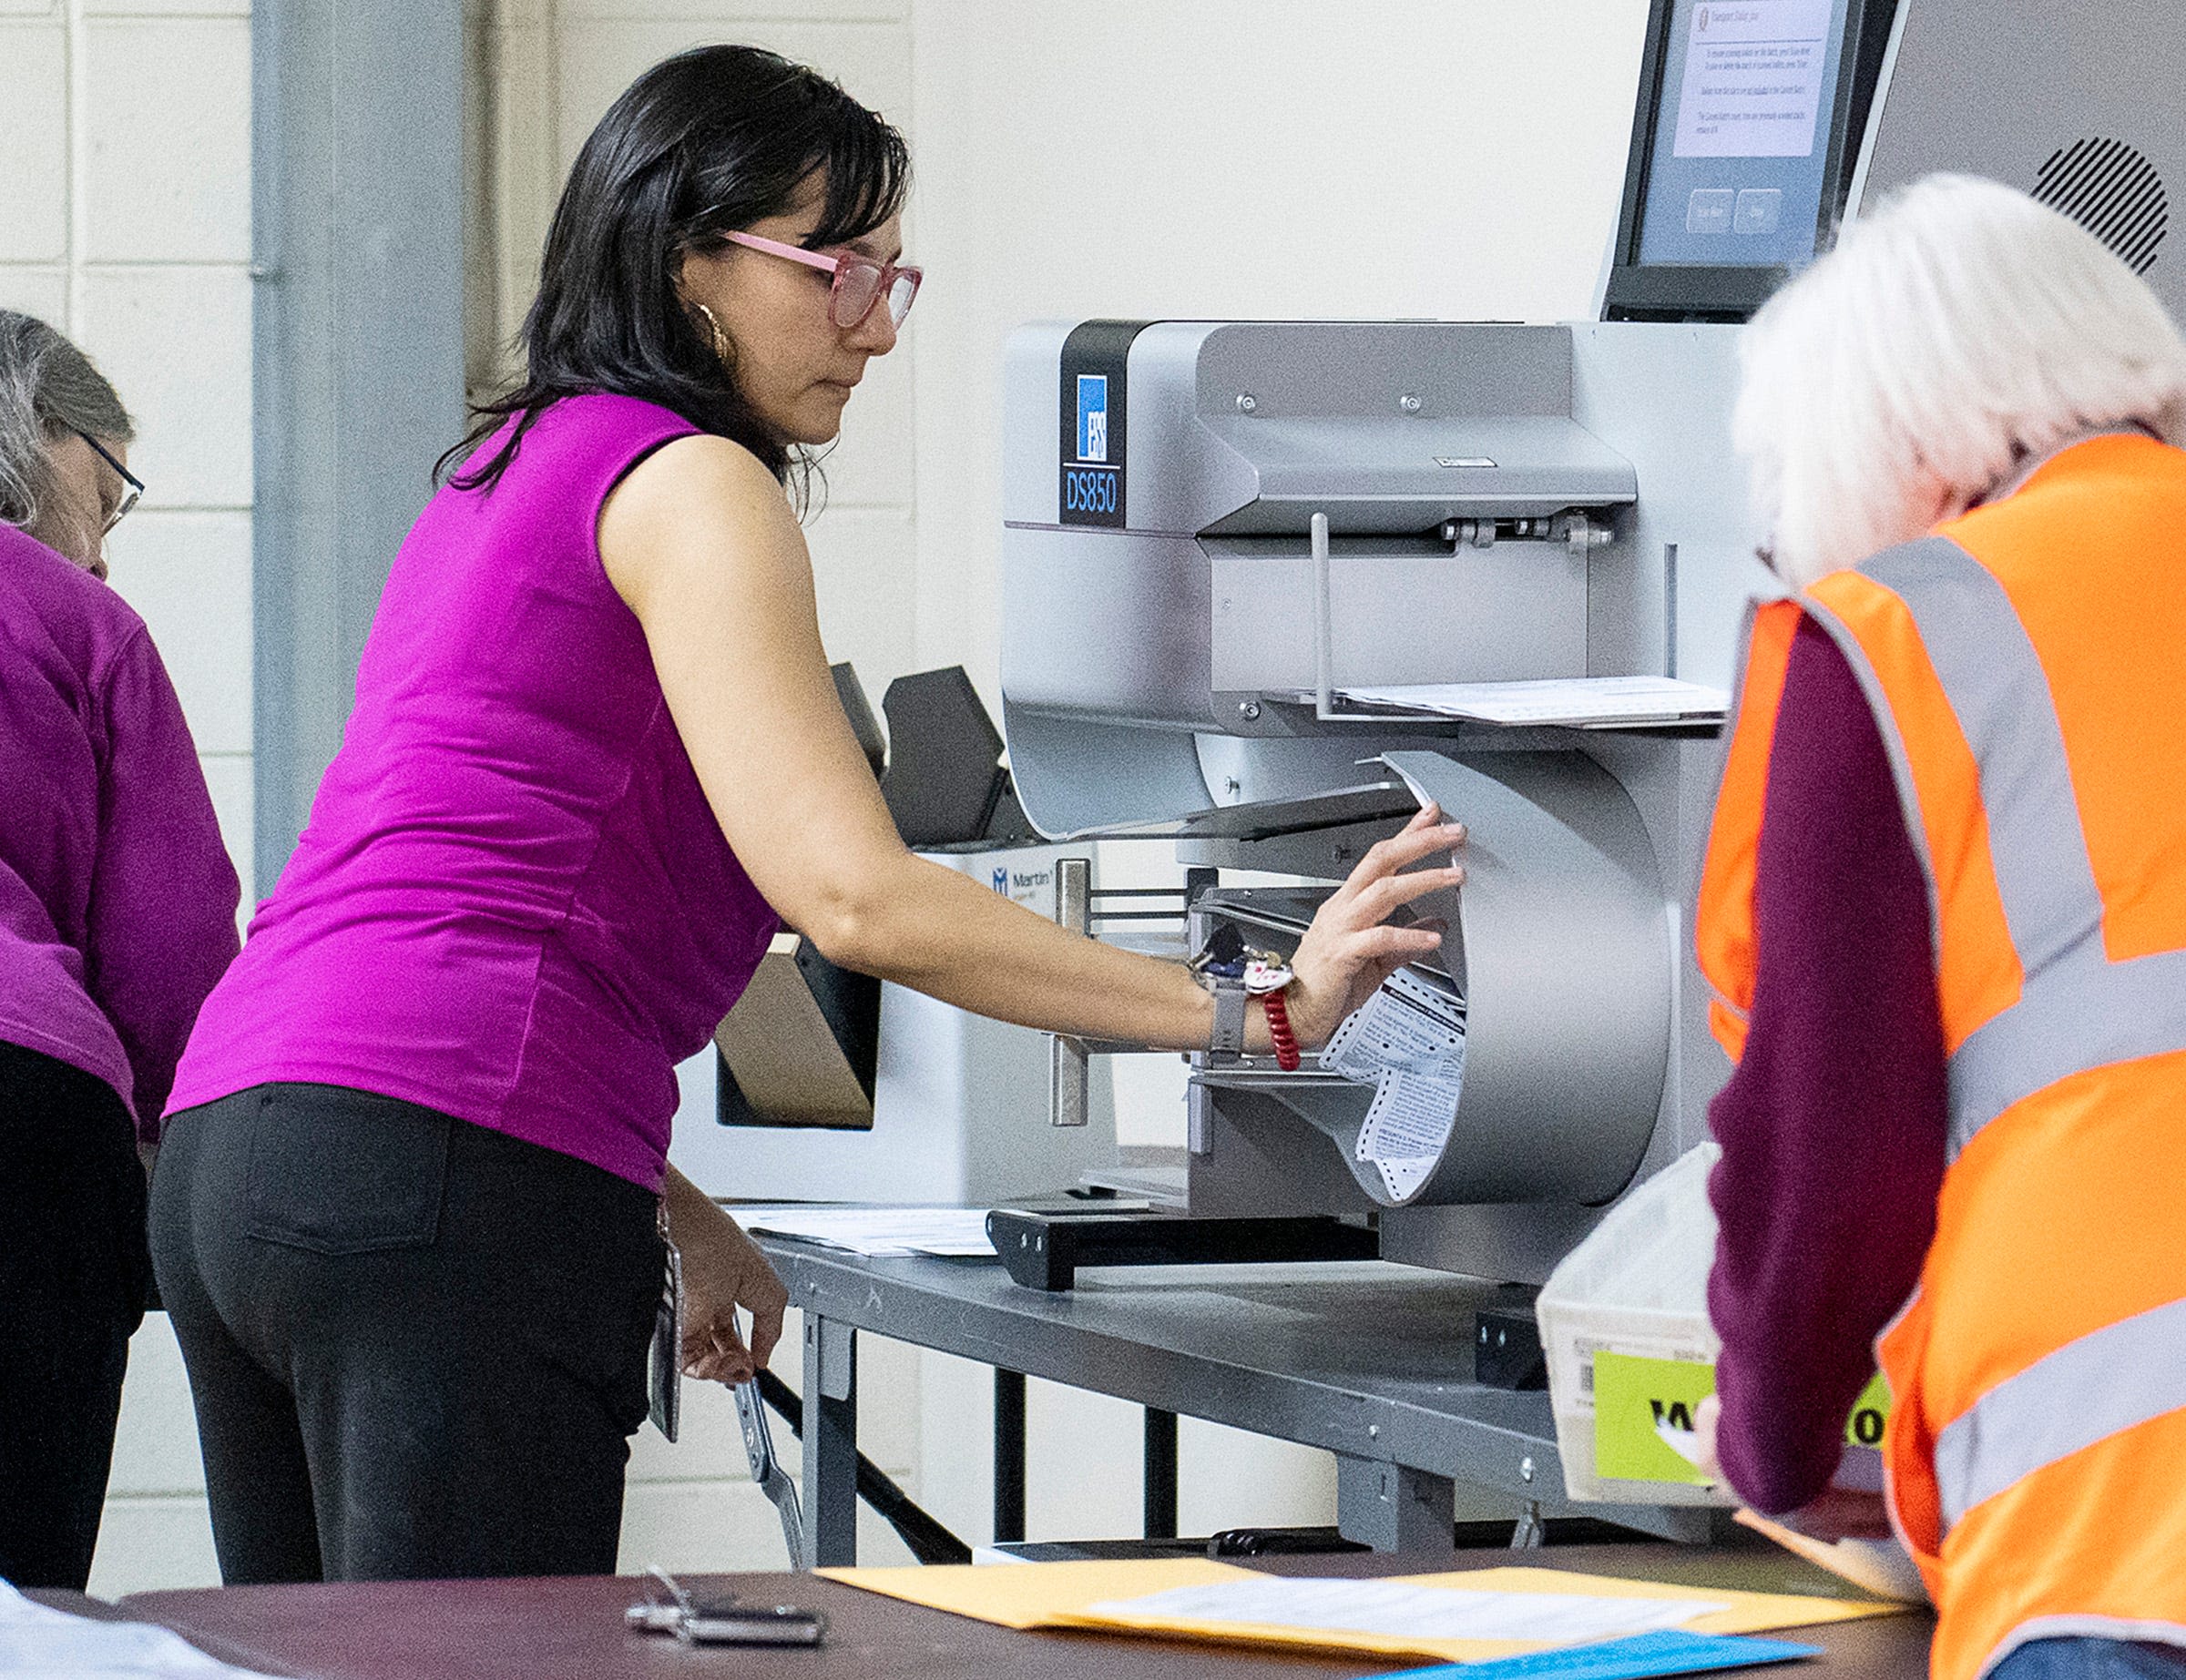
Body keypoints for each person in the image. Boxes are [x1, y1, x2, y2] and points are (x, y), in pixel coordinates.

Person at [149, 45, 1462, 1585]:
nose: (876, 329)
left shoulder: (500, 474)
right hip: (435, 1176)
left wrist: (672, 1202)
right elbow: (857, 900)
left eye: (894, 280)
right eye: (837, 270)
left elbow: (462, 901)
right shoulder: (697, 482)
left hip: (244, 1152)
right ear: (682, 254)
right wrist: (1262, 1014)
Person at [1691, 175, 2186, 1680]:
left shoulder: (1898, 633)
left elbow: (1831, 1150)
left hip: (2125, 1532)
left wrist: (1771, 1437)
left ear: (1899, 450)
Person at [0, 311, 241, 1588]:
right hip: (22, 1108)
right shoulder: (80, 622)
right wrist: (168, 1141)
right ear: (35, 441)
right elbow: (174, 943)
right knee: (19, 1591)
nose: (103, 552)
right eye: (107, 493)